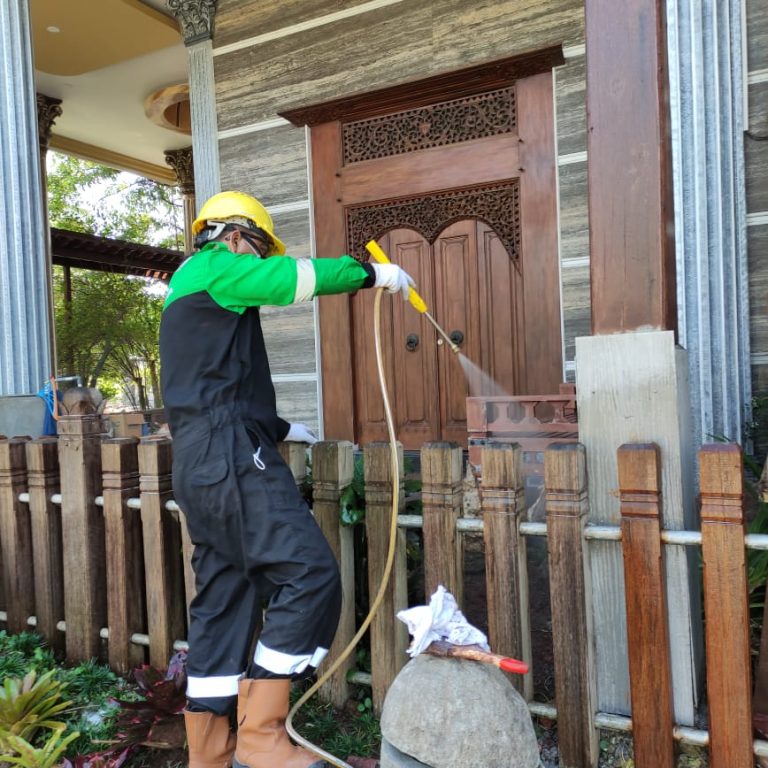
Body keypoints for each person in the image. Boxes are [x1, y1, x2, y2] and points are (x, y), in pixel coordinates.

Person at [159, 191, 414, 768]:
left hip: (198, 461)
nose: (260, 260)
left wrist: (280, 426)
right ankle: (262, 736)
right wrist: (371, 273)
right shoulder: (214, 267)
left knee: (225, 598)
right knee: (309, 573)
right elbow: (294, 279)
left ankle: (209, 751)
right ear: (232, 236)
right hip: (228, 453)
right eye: (258, 247)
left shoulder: (190, 294)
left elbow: (212, 380)